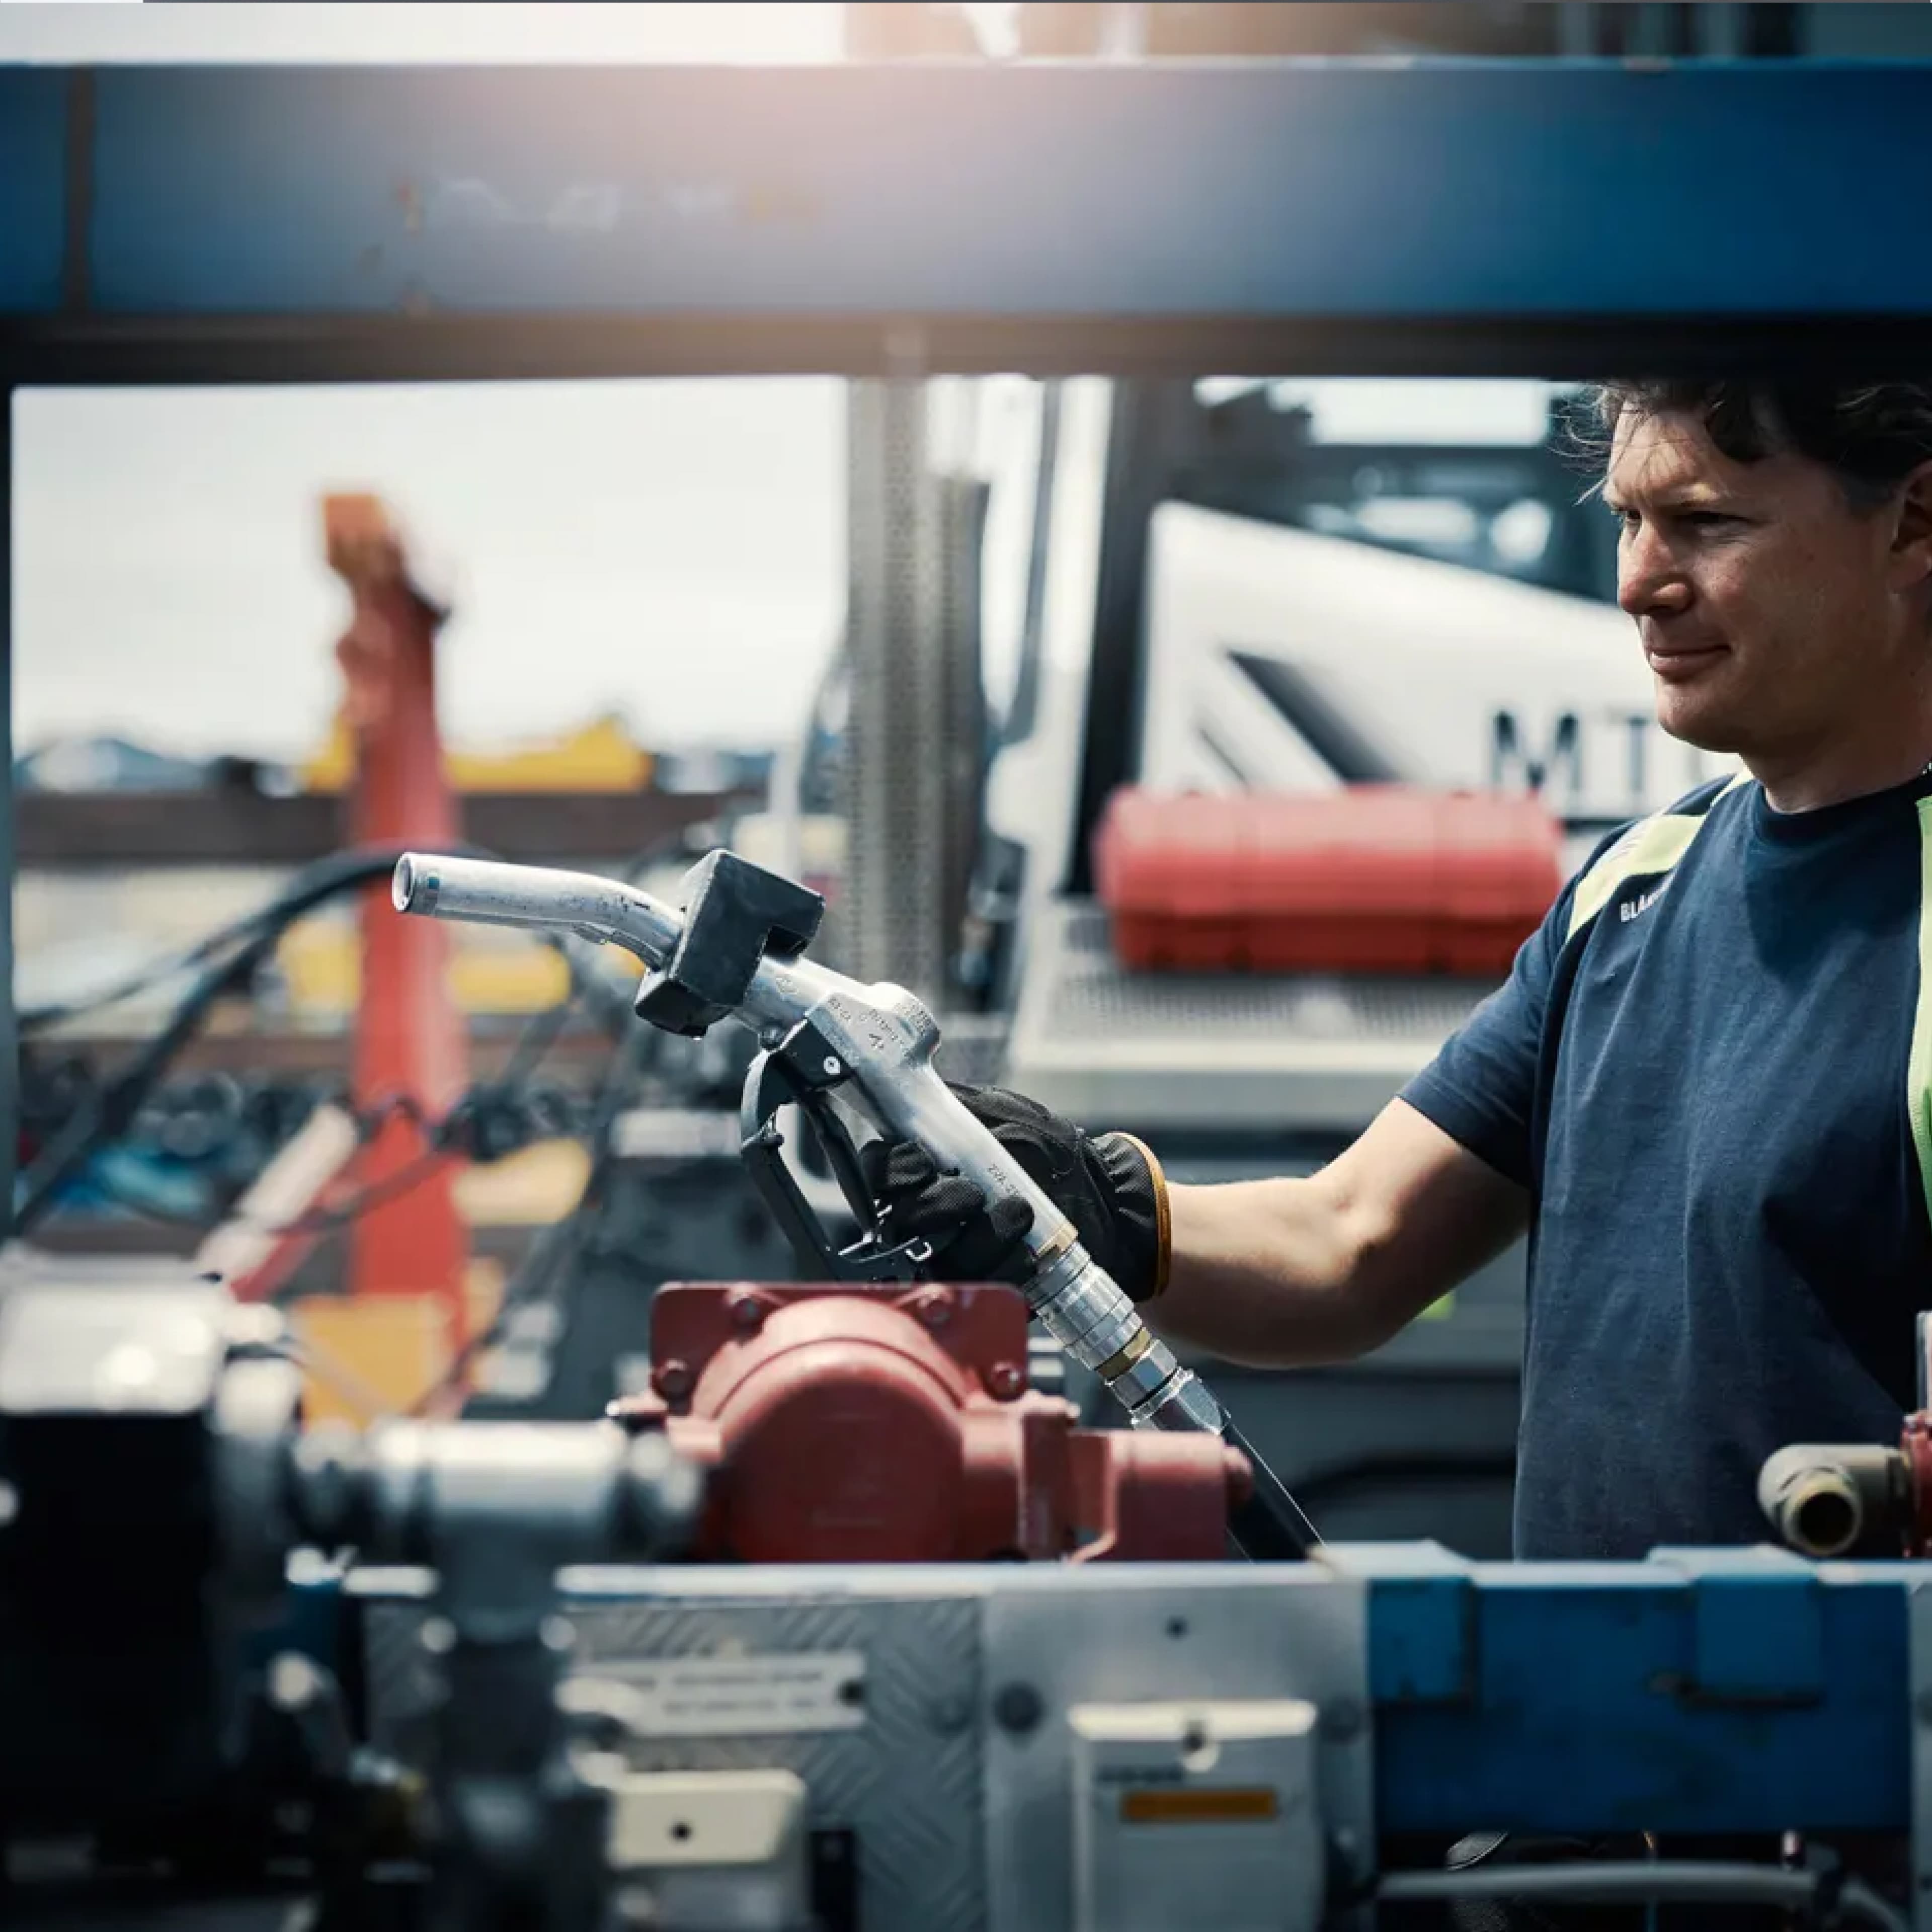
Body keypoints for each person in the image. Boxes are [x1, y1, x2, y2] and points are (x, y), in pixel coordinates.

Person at [865, 379, 1932, 1563]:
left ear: (1912, 523)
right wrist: (1098, 1211)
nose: (1638, 582)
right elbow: (1353, 1243)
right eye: (1629, 521)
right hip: (1598, 1711)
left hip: (1867, 1733)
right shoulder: (1638, 885)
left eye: (1708, 524)